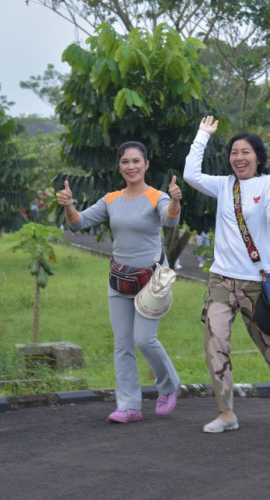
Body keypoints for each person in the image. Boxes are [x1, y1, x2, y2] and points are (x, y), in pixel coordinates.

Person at [183, 116, 270, 433]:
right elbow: (190, 174)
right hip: (221, 279)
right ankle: (226, 413)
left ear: (258, 157)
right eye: (234, 152)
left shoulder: (267, 184)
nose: (239, 157)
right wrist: (202, 136)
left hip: (258, 282)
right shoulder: (224, 186)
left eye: (246, 152)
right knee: (216, 342)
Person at [57, 141, 183, 423]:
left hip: (151, 281)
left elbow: (170, 220)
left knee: (144, 340)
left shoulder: (157, 197)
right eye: (125, 161)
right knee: (123, 344)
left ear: (146, 165)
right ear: (120, 166)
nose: (131, 167)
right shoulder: (111, 199)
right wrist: (68, 205)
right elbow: (78, 222)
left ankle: (169, 384)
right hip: (119, 280)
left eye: (137, 161)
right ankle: (129, 406)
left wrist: (175, 200)